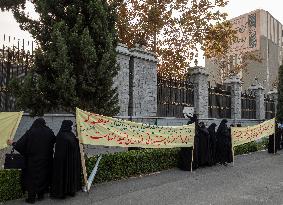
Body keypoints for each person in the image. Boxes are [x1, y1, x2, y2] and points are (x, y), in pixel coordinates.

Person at [7, 118, 55, 204]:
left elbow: (20, 145)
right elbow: (54, 141)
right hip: (46, 161)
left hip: (32, 161)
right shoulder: (49, 132)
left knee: (31, 179)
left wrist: (13, 143)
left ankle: (31, 198)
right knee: (43, 177)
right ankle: (41, 196)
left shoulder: (31, 132)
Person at [51, 120, 82, 199]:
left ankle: (71, 191)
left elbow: (74, 144)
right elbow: (72, 144)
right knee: (63, 175)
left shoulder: (69, 134)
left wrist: (78, 140)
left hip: (70, 161)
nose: (72, 127)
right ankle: (62, 193)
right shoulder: (62, 135)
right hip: (62, 162)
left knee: (69, 175)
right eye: (71, 125)